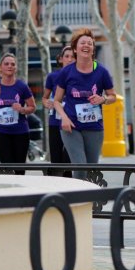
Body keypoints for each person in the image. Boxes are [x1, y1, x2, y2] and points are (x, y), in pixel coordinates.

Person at [53, 28, 117, 179]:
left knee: (91, 169)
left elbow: (113, 96)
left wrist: (103, 99)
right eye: (83, 43)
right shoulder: (66, 72)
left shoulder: (101, 72)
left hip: (94, 127)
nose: (86, 45)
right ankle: (78, 200)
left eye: (90, 43)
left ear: (93, 48)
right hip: (71, 126)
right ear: (75, 48)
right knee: (80, 167)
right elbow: (56, 101)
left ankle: (91, 201)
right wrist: (64, 118)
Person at [0, 53, 36, 174]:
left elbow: (32, 107)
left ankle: (20, 192)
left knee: (19, 168)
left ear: (16, 68)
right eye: (6, 64)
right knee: (6, 165)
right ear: (0, 68)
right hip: (0, 131)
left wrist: (22, 109)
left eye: (13, 64)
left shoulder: (22, 86)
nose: (10, 66)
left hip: (20, 131)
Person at [43, 45, 75, 176]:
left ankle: (68, 192)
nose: (69, 59)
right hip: (55, 122)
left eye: (73, 56)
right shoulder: (52, 77)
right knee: (56, 160)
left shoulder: (80, 76)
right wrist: (48, 103)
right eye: (66, 56)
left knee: (68, 160)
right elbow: (44, 98)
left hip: (73, 123)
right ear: (60, 59)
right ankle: (55, 192)